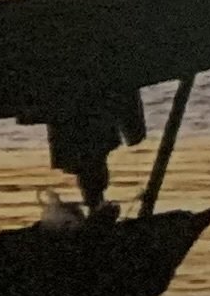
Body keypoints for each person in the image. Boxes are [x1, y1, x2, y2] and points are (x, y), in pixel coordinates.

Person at [38, 78, 147, 216]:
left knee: (89, 154)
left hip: (69, 91)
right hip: (83, 89)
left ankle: (95, 205)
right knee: (90, 154)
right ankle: (96, 205)